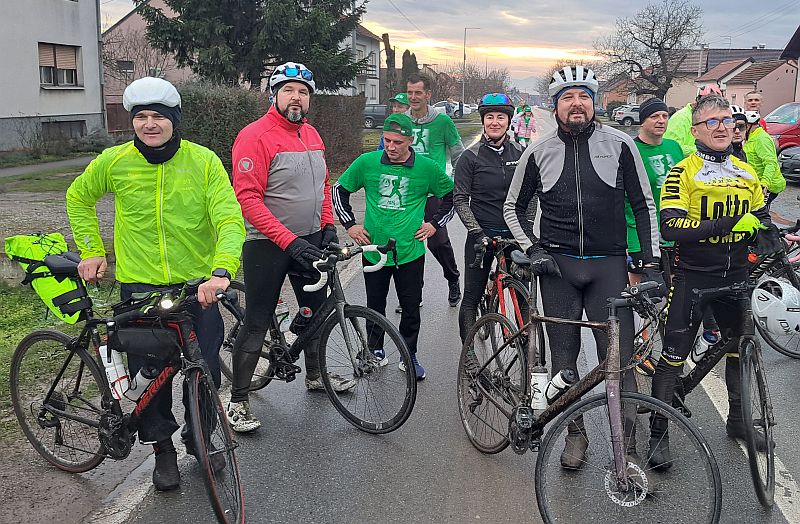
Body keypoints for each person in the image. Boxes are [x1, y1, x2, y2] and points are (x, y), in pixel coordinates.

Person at [66, 76, 246, 491]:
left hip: (196, 289)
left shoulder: (203, 162)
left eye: (158, 116)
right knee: (149, 375)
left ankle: (200, 438)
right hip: (140, 289)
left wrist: (221, 271)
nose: (149, 124)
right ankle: (163, 449)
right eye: (141, 117)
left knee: (205, 370)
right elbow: (78, 197)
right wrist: (92, 249)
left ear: (174, 120)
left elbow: (229, 218)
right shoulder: (115, 161)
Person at [504, 65, 662, 470]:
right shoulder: (538, 150)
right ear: (555, 105)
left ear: (594, 102)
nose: (577, 104)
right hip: (559, 269)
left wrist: (652, 264)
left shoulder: (620, 145)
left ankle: (625, 445)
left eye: (584, 96)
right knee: (564, 361)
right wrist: (534, 249)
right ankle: (575, 435)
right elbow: (513, 208)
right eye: (568, 97)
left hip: (608, 265)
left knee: (620, 361)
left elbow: (643, 205)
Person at [648, 95, 776, 469]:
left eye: (727, 120)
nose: (722, 127)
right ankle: (658, 434)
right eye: (712, 122)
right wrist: (729, 224)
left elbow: (762, 217)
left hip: (736, 277)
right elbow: (672, 227)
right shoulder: (682, 173)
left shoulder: (746, 172)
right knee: (673, 356)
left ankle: (738, 420)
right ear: (695, 131)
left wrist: (767, 233)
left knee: (739, 349)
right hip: (693, 278)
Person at [230, 61, 355, 434]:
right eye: (288, 90)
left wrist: (328, 226)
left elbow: (323, 186)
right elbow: (247, 199)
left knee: (315, 312)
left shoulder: (312, 134)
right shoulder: (254, 136)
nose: (296, 97)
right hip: (267, 244)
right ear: (274, 95)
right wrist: (289, 241)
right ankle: (238, 401)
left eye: (303, 92)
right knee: (256, 321)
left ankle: (315, 376)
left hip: (310, 239)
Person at [332, 113, 455, 380]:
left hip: (410, 252)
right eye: (387, 140)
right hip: (374, 250)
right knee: (374, 305)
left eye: (398, 142)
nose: (391, 146)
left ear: (410, 141)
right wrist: (350, 225)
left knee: (410, 307)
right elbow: (339, 189)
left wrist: (434, 224)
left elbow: (451, 196)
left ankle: (408, 353)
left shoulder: (426, 168)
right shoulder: (367, 162)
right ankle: (375, 350)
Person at [454, 93, 529, 342]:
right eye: (489, 117)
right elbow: (460, 200)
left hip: (514, 235)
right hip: (482, 235)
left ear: (508, 121)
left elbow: (531, 196)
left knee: (523, 295)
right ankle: (469, 355)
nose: (495, 122)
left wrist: (526, 229)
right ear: (483, 121)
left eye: (500, 117)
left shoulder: (521, 152)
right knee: (471, 297)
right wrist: (477, 233)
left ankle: (527, 347)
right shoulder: (470, 157)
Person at [405, 73, 464, 309]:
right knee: (407, 244)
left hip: (433, 193)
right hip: (407, 194)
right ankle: (413, 293)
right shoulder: (401, 120)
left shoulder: (442, 122)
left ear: (428, 95)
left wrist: (457, 181)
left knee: (438, 243)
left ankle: (453, 278)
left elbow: (458, 153)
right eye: (410, 92)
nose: (413, 97)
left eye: (418, 92)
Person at [742, 109, 785, 208]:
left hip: (768, 186)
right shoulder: (751, 137)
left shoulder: (761, 139)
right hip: (755, 183)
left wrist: (764, 183)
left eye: (743, 126)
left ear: (750, 125)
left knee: (761, 212)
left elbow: (771, 163)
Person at [664, 84, 723, 156]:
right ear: (698, 101)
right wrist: (702, 151)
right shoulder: (681, 117)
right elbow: (671, 146)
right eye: (708, 104)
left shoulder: (705, 118)